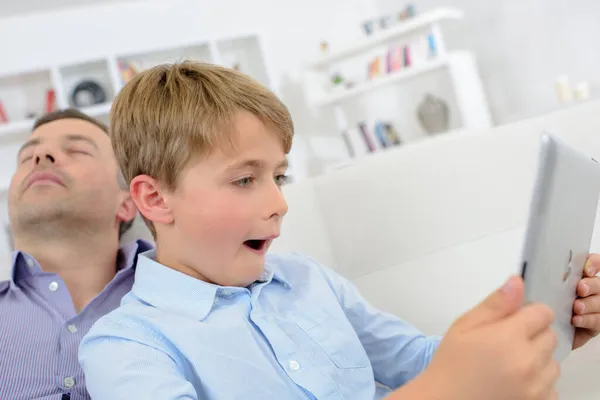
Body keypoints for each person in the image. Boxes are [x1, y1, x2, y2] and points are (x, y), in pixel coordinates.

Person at [78, 62, 600, 400]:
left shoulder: (305, 280)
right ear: (154, 198)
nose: (279, 203)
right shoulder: (125, 346)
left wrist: (537, 329)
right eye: (244, 179)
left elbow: (419, 361)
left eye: (279, 176)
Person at [0, 109, 152, 400]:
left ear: (128, 203)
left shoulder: (187, 293)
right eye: (26, 156)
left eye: (77, 150)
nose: (41, 156)